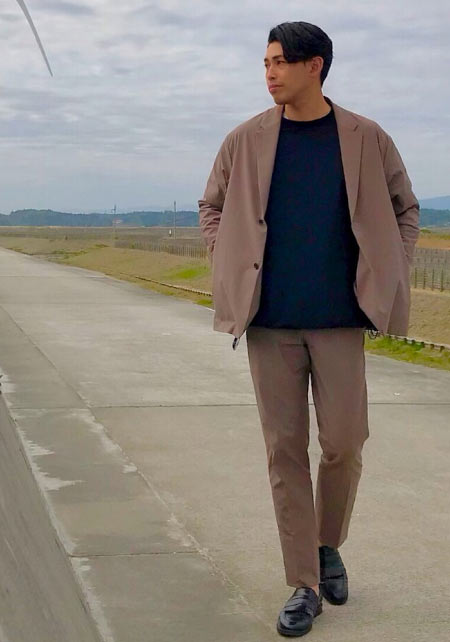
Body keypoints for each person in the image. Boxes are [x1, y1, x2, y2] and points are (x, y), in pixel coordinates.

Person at [198, 20, 419, 638]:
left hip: (341, 319)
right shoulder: (245, 139)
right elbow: (212, 204)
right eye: (265, 63)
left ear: (314, 65)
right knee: (284, 451)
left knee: (345, 443)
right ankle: (304, 583)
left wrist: (393, 267)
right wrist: (223, 257)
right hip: (269, 322)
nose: (268, 73)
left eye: (279, 62)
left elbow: (405, 207)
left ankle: (327, 545)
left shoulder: (365, 137)